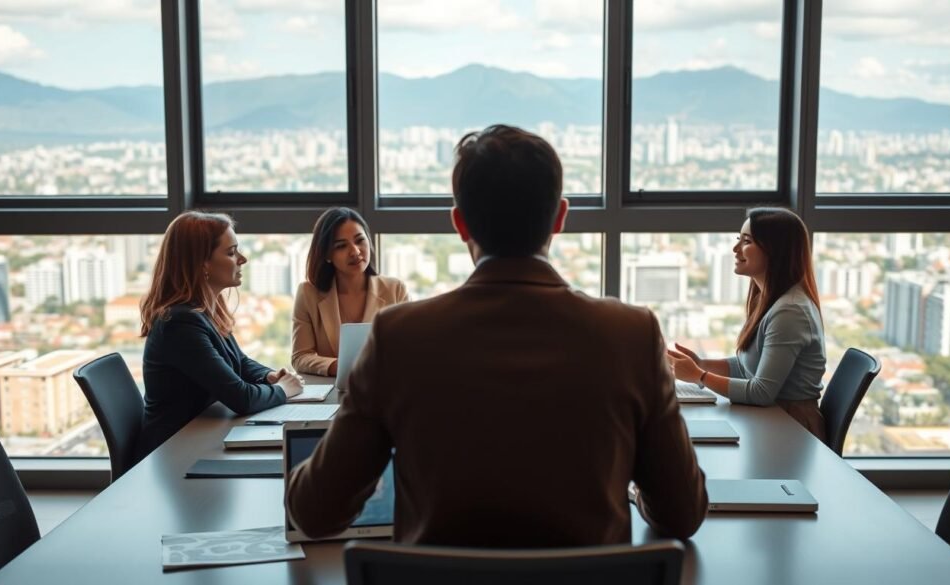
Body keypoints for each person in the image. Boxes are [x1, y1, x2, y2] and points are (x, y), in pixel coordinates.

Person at [286, 125, 707, 547]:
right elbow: (683, 514)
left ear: (459, 223)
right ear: (560, 216)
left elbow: (314, 511)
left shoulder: (399, 337)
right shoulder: (632, 334)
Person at [136, 211, 303, 464]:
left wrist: (267, 376)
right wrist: (281, 390)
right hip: (174, 454)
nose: (242, 259)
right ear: (202, 263)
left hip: (198, 437)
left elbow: (240, 361)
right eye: (231, 252)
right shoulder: (180, 323)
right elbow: (241, 398)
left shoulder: (204, 310)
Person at [668, 207, 827, 440]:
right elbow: (747, 367)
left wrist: (699, 376)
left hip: (793, 431)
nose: (735, 249)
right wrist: (700, 363)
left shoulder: (790, 312)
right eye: (738, 240)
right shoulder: (769, 300)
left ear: (775, 251)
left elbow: (761, 392)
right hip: (773, 420)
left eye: (747, 241)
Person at [291, 207, 409, 376]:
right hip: (333, 391)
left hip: (383, 389)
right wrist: (340, 367)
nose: (355, 251)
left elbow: (406, 349)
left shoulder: (395, 289)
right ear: (327, 255)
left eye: (360, 240)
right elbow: (300, 357)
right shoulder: (308, 293)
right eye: (341, 246)